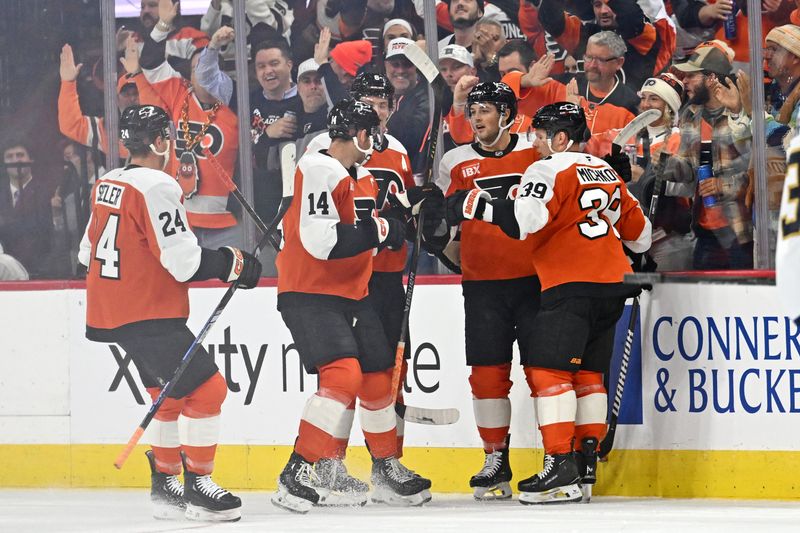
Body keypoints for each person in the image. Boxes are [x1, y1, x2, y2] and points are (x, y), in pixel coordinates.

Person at [445, 102, 651, 504]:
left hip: (570, 284)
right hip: (612, 285)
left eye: (540, 135)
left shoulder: (546, 169)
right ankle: (585, 463)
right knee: (589, 375)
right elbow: (640, 236)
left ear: (560, 138)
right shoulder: (604, 170)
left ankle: (559, 467)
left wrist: (474, 205)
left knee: (548, 373)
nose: (534, 143)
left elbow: (525, 221)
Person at [78, 105, 261, 521]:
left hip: (114, 311)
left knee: (169, 395)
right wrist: (232, 263)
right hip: (147, 313)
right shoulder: (158, 185)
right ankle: (199, 486)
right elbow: (184, 263)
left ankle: (165, 485)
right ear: (161, 142)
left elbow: (86, 254)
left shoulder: (108, 181)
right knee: (210, 390)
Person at [272, 99, 432, 513]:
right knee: (343, 376)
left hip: (353, 294)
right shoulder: (317, 167)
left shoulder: (361, 177)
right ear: (361, 135)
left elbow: (367, 233)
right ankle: (299, 470)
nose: (375, 142)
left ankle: (385, 468)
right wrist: (382, 229)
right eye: (372, 134)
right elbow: (323, 241)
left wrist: (408, 215)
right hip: (310, 293)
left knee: (378, 374)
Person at [304, 73, 430, 460]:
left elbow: (401, 211)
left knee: (391, 374)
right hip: (346, 278)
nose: (376, 110)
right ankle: (331, 463)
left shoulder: (398, 151)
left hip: (387, 277)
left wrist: (419, 209)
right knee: (344, 375)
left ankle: (391, 462)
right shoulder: (326, 147)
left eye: (383, 103)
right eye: (368, 102)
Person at [437, 82, 540, 499]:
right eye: (473, 110)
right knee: (486, 375)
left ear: (507, 114)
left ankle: (558, 457)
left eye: (485, 110)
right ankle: (495, 459)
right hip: (481, 286)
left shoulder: (535, 152)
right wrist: (433, 229)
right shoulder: (454, 161)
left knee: (543, 371)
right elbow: (442, 223)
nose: (477, 118)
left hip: (535, 281)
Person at [139, 4, 241, 250]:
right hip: (182, 220)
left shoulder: (233, 100)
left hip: (226, 224)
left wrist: (212, 48)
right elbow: (150, 63)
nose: (202, 74)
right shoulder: (179, 92)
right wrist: (162, 24)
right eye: (195, 68)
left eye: (209, 68)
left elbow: (208, 75)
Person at [669, 42, 753, 270]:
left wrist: (721, 185)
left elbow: (757, 170)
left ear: (711, 78)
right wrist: (662, 163)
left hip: (740, 232)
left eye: (691, 76)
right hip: (704, 230)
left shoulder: (742, 111)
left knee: (743, 292)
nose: (684, 81)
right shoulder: (690, 115)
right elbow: (687, 170)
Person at [526, 0, 664, 90]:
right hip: (591, 117)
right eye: (598, 5)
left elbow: (630, 17)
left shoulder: (643, 34)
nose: (603, 11)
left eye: (609, 5)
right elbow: (551, 19)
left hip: (632, 116)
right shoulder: (587, 36)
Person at [0, 140, 53, 279]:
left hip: (40, 273)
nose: (15, 160)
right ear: (4, 163)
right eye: (9, 156)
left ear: (31, 159)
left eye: (20, 155)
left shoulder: (48, 192)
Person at [384, 38, 431, 173]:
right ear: (386, 65)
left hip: (411, 173)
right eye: (395, 64)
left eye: (407, 64)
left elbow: (409, 141)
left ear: (417, 66)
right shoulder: (376, 93)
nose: (400, 70)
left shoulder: (426, 97)